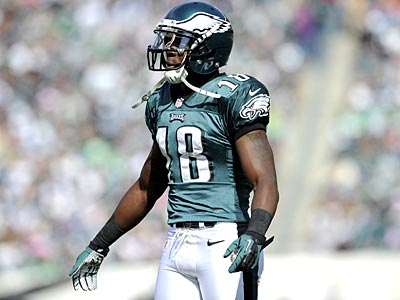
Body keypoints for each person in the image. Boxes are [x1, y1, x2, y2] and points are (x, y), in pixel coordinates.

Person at [69, 1, 279, 299]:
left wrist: (255, 234)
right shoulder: (161, 100)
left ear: (208, 47)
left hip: (224, 241)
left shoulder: (234, 95)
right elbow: (147, 186)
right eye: (165, 39)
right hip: (175, 241)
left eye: (177, 41)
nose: (167, 48)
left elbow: (265, 179)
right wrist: (99, 244)